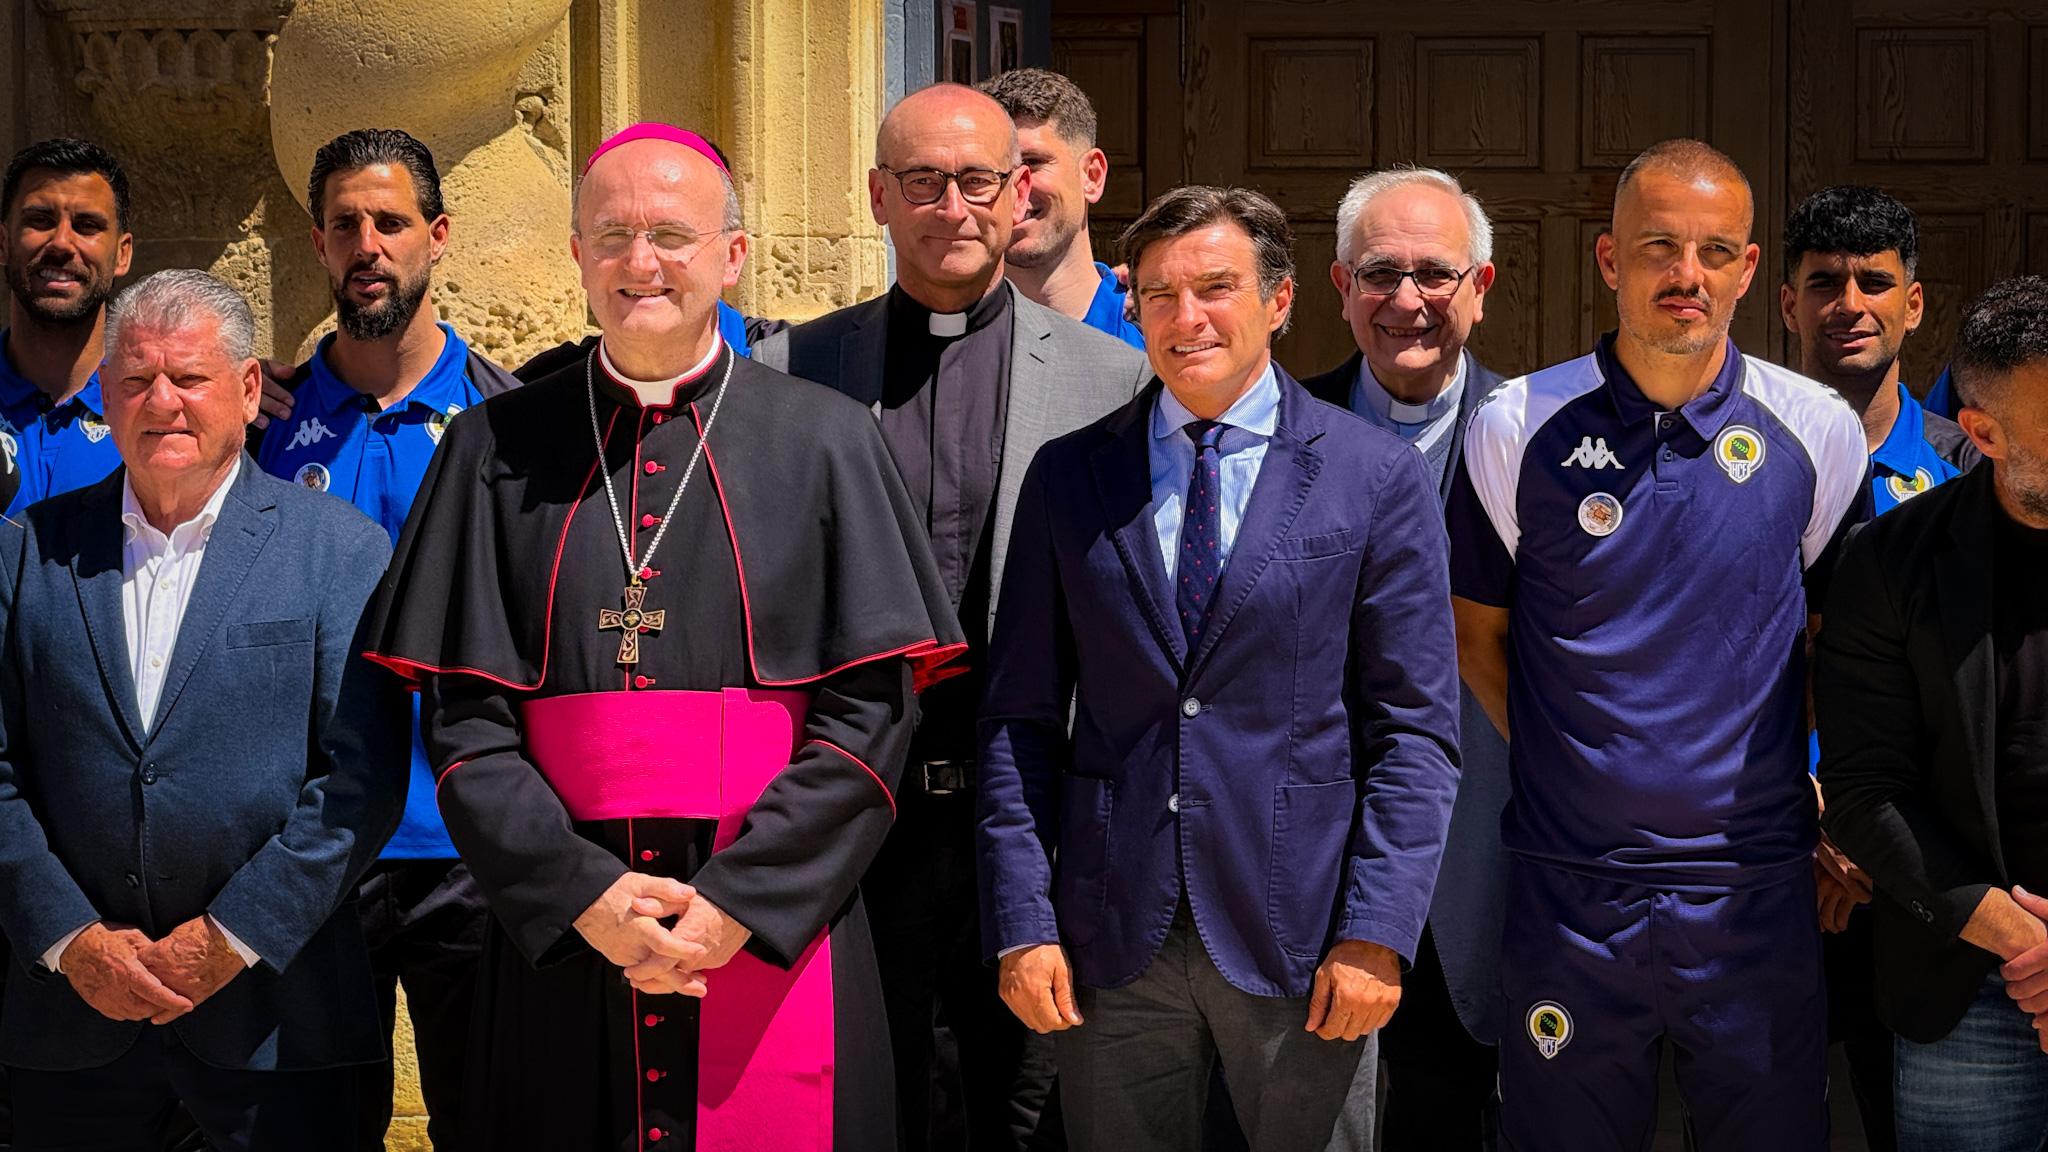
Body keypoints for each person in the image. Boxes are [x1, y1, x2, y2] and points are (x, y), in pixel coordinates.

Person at [360, 121, 964, 1152]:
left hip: (777, 928)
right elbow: (465, 722)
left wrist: (740, 902)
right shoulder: (489, 448)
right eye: (613, 236)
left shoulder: (825, 440)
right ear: (576, 256)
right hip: (566, 940)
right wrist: (584, 896)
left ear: (731, 255)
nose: (641, 263)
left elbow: (871, 716)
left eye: (671, 236)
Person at [978, 183, 1461, 1152]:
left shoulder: (1371, 474)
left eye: (1214, 288)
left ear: (1278, 302)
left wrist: (1375, 932)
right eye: (1157, 294)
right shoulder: (1071, 475)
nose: (1184, 318)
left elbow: (1414, 732)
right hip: (1112, 941)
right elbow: (1017, 719)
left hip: (1305, 934)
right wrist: (1022, 921)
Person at [1446, 139, 1868, 1152]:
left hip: (1753, 894)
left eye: (1714, 252)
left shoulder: (1813, 428)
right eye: (1658, 247)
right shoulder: (1514, 424)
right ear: (1607, 260)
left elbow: (1830, 644)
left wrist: (1791, 778)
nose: (1686, 276)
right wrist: (1579, 758)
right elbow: (1475, 635)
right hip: (1569, 895)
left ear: (1749, 268)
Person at [755, 83, 1147, 1152]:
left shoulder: (1115, 381)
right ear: (879, 197)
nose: (953, 206)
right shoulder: (790, 374)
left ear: (1016, 193)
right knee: (860, 1104)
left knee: (1025, 1112)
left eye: (978, 180)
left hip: (1033, 822)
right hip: (852, 819)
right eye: (922, 183)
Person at [0, 268, 408, 1150]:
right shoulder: (28, 551)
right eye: (138, 380)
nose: (163, 403)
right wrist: (71, 940)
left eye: (189, 378)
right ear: (107, 396)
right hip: (71, 1035)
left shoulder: (339, 551)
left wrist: (232, 936)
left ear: (249, 387)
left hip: (280, 1026)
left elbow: (361, 777)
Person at [252, 128, 518, 1152]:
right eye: (344, 225)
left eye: (391, 222)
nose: (368, 244)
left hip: (468, 854)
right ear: (318, 245)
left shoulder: (507, 419)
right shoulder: (261, 426)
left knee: (491, 1125)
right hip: (309, 852)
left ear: (436, 236)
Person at [1299, 166, 1509, 1151]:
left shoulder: (1547, 445)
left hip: (1495, 882)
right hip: (1305, 888)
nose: (1407, 301)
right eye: (1379, 273)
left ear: (1480, 286)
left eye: (1434, 273)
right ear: (1339, 287)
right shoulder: (1265, 437)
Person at [1816, 274, 2048, 1152]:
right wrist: (2031, 946)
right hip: (1966, 984)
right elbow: (1868, 792)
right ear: (1985, 435)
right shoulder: (1892, 564)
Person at [1779, 183, 1981, 1152]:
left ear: (1912, 303)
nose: (1845, 303)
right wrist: (1808, 803)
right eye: (1821, 282)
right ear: (1783, 304)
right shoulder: (1728, 456)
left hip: (1918, 868)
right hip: (1764, 853)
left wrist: (1868, 832)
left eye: (1872, 282)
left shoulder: (1969, 465)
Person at [0, 137, 135, 515]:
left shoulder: (161, 407)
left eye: (87, 225)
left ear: (122, 253)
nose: (62, 243)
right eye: (40, 220)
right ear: (3, 243)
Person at [977, 68, 1144, 348]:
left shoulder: (1160, 331)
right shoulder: (951, 340)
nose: (1013, 186)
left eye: (1032, 162)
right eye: (989, 170)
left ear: (1092, 176)